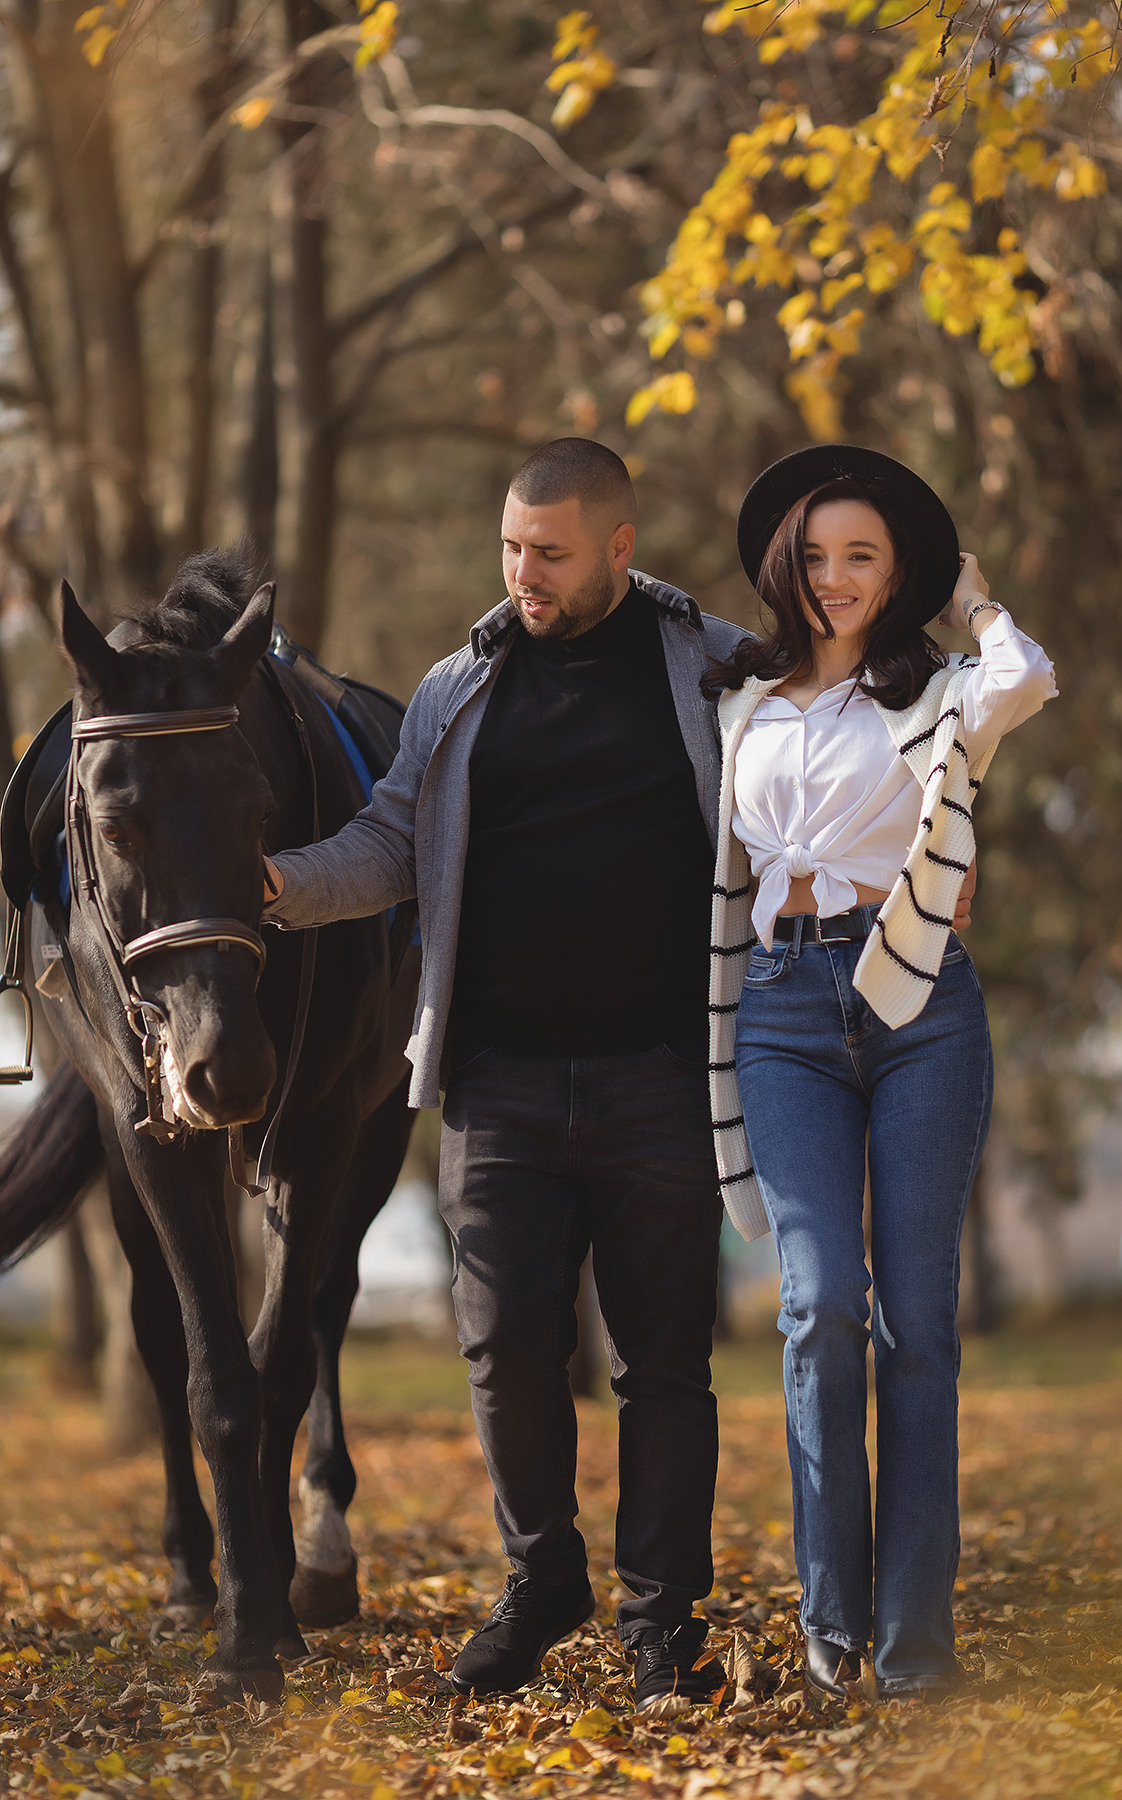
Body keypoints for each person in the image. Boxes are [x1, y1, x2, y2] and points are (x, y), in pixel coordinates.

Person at [260, 439, 750, 1712]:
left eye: (550, 553)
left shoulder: (713, 666)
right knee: (503, 1352)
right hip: (499, 1086)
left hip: (663, 1080)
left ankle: (660, 1624)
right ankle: (545, 1582)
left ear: (620, 550)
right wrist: (271, 887)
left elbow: (816, 780)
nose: (522, 575)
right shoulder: (458, 689)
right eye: (509, 550)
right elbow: (390, 841)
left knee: (664, 1368)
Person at [704, 446, 1057, 1702]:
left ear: (897, 569)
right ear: (783, 567)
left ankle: (914, 1644)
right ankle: (830, 1619)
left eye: (863, 556)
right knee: (819, 1306)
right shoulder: (737, 699)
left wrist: (975, 600)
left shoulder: (943, 692)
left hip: (917, 1010)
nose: (836, 579)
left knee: (918, 1322)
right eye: (815, 556)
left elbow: (1031, 674)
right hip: (783, 1014)